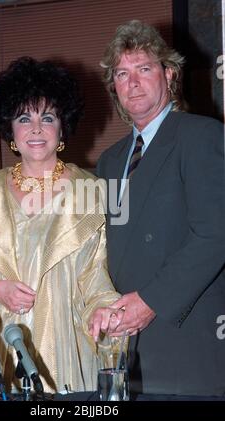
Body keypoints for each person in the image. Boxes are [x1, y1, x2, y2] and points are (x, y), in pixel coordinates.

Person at [0, 57, 120, 394]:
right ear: (10, 130)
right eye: (24, 118)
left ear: (62, 128)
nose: (36, 129)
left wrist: (105, 315)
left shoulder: (92, 195)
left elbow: (98, 277)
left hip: (63, 350)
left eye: (47, 118)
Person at [90, 20, 225, 396]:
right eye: (121, 73)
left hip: (187, 340)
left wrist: (151, 302)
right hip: (128, 350)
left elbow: (216, 234)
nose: (132, 82)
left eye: (144, 69)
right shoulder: (109, 161)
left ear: (169, 74)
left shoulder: (202, 136)